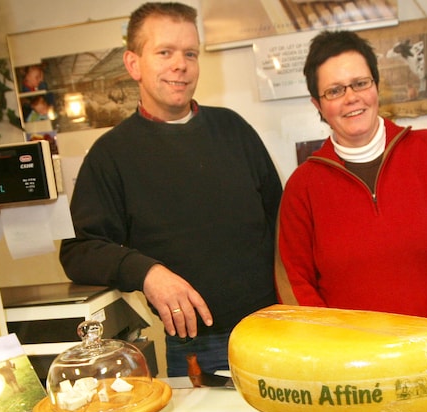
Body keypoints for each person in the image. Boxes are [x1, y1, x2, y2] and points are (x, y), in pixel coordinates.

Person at [59, 2, 282, 376]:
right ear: (133, 64)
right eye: (165, 52)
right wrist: (148, 273)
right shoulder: (110, 155)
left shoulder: (234, 129)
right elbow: (79, 252)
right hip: (197, 346)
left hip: (272, 330)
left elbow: (282, 221)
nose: (180, 64)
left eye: (190, 53)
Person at [276, 30, 427, 323]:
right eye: (335, 91)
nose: (352, 98)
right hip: (351, 359)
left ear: (376, 86)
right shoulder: (303, 186)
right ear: (318, 105)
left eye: (360, 84)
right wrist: (333, 344)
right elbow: (294, 282)